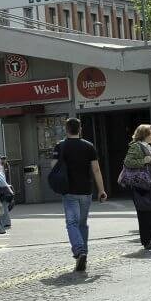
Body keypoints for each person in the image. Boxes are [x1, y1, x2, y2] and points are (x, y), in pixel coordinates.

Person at [53, 117, 108, 273]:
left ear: (66, 129)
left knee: (72, 223)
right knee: (82, 224)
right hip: (86, 191)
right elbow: (96, 170)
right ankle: (83, 254)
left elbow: (53, 167)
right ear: (80, 129)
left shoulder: (60, 146)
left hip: (69, 191)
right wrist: (102, 190)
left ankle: (79, 251)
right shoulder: (88, 146)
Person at [123, 124, 151, 250]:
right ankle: (146, 241)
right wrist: (144, 161)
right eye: (150, 133)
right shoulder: (136, 146)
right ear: (144, 135)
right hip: (141, 184)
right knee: (144, 213)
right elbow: (127, 162)